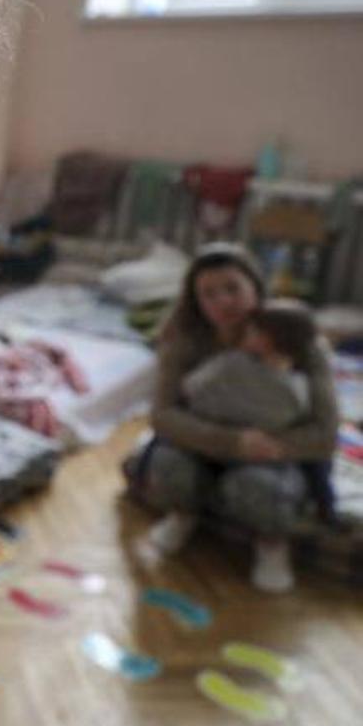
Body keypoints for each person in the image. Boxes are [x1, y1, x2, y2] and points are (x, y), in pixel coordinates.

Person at [138, 245, 339, 593]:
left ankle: (272, 544)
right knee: (168, 464)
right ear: (196, 301)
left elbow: (325, 432)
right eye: (210, 294)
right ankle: (185, 515)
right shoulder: (184, 342)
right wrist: (233, 442)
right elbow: (163, 415)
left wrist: (272, 446)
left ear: (256, 289)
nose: (223, 302)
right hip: (205, 444)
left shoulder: (302, 342)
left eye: (233, 288)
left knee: (259, 488)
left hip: (271, 453)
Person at [178, 299, 337, 526]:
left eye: (252, 331)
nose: (244, 334)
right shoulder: (296, 382)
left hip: (260, 448)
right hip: (245, 442)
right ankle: (325, 506)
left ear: (269, 339)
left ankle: (322, 505)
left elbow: (189, 388)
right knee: (317, 466)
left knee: (315, 461)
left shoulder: (235, 363)